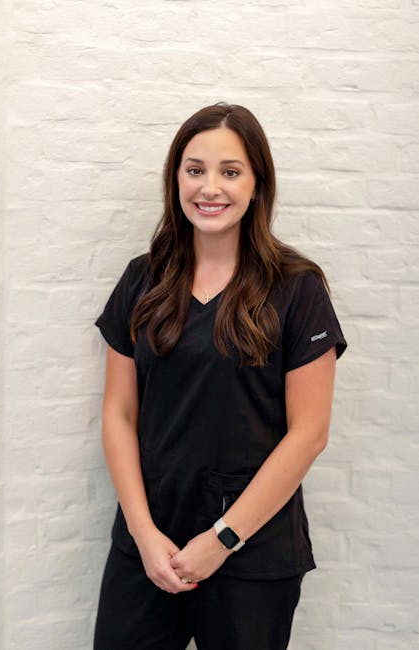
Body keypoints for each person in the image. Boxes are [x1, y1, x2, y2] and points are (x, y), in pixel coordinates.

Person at [92, 102, 348, 650]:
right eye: (195, 169)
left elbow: (309, 433)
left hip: (251, 554)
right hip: (149, 545)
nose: (210, 188)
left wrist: (222, 539)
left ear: (257, 185)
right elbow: (119, 413)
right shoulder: (143, 279)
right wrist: (143, 533)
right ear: (176, 179)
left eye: (230, 171)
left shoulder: (297, 288)